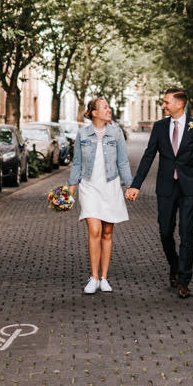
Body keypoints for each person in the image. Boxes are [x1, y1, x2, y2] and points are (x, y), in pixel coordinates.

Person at [125, 87, 193, 299]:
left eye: (166, 102)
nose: (163, 105)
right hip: (166, 187)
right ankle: (174, 264)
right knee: (165, 231)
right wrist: (136, 184)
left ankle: (183, 280)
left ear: (179, 104)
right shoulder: (160, 127)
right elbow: (148, 155)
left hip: (189, 187)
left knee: (186, 233)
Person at [69, 97, 133, 295]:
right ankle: (93, 277)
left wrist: (130, 185)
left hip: (110, 185)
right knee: (94, 230)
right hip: (89, 186)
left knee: (107, 233)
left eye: (108, 106)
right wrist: (70, 190)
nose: (109, 109)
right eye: (104, 107)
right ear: (94, 113)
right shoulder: (82, 133)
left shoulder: (116, 133)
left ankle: (104, 278)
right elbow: (77, 163)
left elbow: (122, 161)